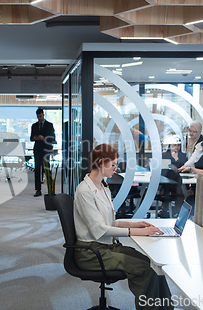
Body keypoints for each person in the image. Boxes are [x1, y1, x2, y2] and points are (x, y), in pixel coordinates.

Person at [74, 144, 174, 310]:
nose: (115, 168)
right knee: (144, 270)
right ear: (100, 163)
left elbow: (110, 221)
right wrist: (137, 232)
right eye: (113, 165)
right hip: (90, 252)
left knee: (153, 265)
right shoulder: (84, 191)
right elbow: (101, 229)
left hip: (105, 246)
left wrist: (136, 224)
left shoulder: (102, 186)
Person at [30, 108, 55, 197]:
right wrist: (37, 138)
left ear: (43, 115)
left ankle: (50, 189)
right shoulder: (34, 125)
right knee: (37, 169)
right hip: (37, 149)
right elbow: (31, 138)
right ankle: (38, 190)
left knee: (47, 169)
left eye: (40, 116)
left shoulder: (49, 125)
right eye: (37, 116)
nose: (39, 118)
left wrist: (44, 138)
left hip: (46, 149)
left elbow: (53, 138)